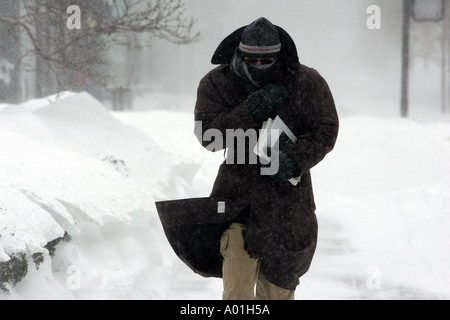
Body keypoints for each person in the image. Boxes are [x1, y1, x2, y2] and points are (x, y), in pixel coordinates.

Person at [194, 17, 339, 300]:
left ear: (278, 55)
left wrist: (294, 160)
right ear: (240, 53)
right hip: (237, 200)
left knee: (278, 294)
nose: (259, 67)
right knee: (237, 295)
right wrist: (249, 109)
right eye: (252, 61)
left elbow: (326, 130)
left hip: (289, 209)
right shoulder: (217, 82)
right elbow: (209, 138)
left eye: (267, 61)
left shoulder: (306, 82)